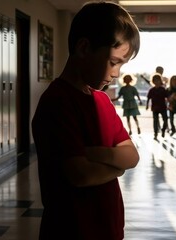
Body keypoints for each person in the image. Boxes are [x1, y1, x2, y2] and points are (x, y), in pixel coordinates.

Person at [31, 2, 141, 240]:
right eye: (114, 62)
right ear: (84, 48)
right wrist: (116, 164)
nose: (117, 73)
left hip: (108, 229)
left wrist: (94, 154)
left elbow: (132, 156)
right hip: (70, 230)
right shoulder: (57, 101)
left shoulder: (102, 101)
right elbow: (80, 174)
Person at [146, 74, 168, 140]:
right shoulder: (151, 90)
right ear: (153, 81)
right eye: (155, 80)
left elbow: (167, 97)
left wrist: (169, 104)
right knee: (155, 121)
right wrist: (147, 105)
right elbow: (148, 98)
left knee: (165, 120)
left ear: (160, 81)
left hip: (163, 107)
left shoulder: (163, 89)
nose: (156, 82)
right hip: (155, 108)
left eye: (158, 80)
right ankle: (155, 134)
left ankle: (163, 130)